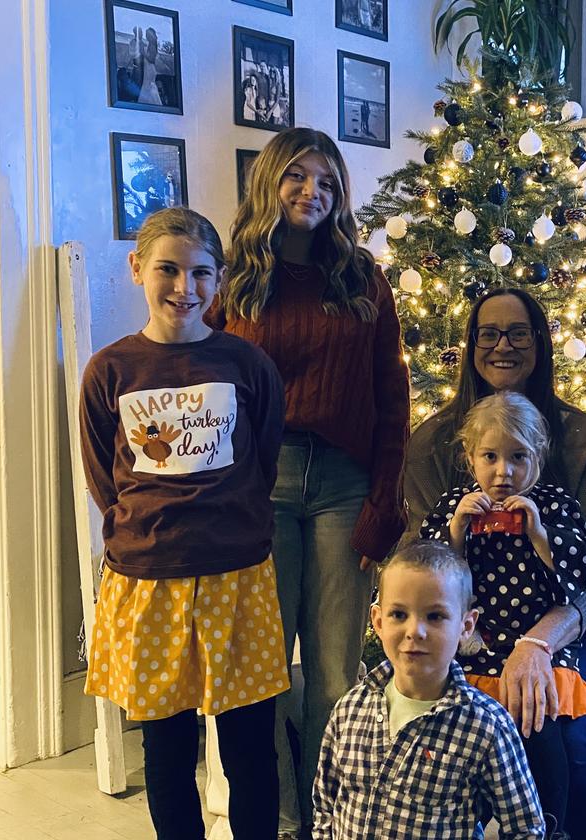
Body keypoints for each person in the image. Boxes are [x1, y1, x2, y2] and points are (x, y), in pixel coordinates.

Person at [211, 126, 410, 839]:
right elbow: (201, 381)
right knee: (264, 673)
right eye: (297, 176)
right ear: (270, 181)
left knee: (333, 673)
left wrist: (384, 502)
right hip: (258, 489)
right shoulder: (233, 280)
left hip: (343, 485)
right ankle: (282, 821)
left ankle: (330, 820)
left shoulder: (362, 278)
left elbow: (391, 396)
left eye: (327, 182)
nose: (312, 192)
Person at [79, 207, 287, 839]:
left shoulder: (248, 364)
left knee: (250, 748)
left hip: (237, 577)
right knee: (167, 751)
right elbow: (104, 478)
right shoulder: (109, 370)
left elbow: (263, 460)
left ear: (219, 278)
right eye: (167, 269)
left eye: (200, 273)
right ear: (137, 268)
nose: (183, 288)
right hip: (148, 581)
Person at [405, 287, 586, 839]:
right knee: (444, 733)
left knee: (568, 737)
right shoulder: (433, 442)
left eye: (518, 333)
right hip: (473, 636)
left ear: (540, 343)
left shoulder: (581, 438)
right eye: (489, 333)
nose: (503, 345)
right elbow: (421, 560)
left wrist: (539, 643)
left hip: (572, 634)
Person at [420, 391, 586, 833]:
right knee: (460, 731)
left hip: (540, 646)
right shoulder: (455, 506)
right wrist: (456, 531)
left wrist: (539, 534)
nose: (503, 471)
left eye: (518, 457)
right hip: (478, 647)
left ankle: (547, 827)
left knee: (540, 724)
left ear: (538, 456)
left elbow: (580, 576)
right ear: (470, 457)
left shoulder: (555, 504)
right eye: (490, 456)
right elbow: (431, 579)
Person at [312, 540, 545, 838]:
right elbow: (326, 805)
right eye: (399, 615)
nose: (414, 631)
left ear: (466, 626)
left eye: (435, 616)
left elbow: (526, 828)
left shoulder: (486, 726)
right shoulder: (350, 710)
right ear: (378, 621)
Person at [138, 27, 162, 106]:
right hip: (147, 68)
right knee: (147, 85)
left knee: (149, 85)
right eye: (146, 34)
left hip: (150, 68)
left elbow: (151, 59)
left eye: (148, 34)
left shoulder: (152, 46)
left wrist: (143, 53)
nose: (146, 36)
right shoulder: (149, 45)